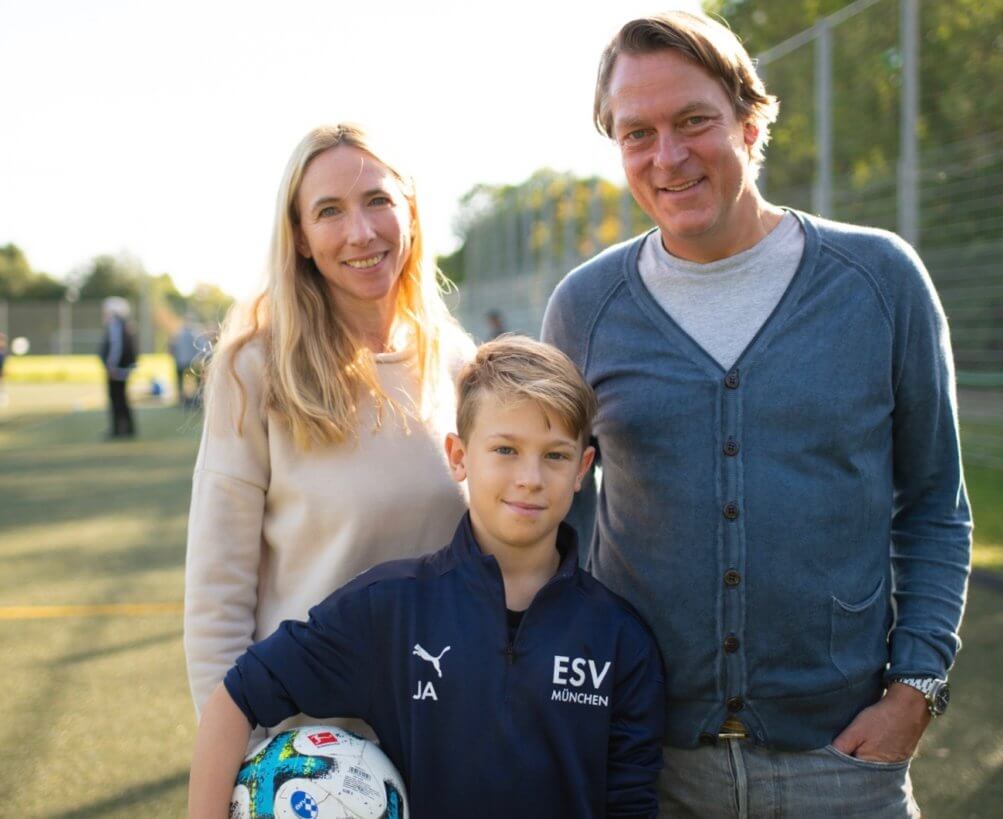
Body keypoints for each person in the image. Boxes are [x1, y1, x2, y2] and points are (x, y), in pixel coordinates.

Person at [541, 10, 971, 817]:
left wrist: (915, 689)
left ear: (749, 118)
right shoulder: (585, 308)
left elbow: (935, 507)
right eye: (637, 133)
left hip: (841, 761)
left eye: (694, 120)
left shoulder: (879, 281)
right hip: (645, 765)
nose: (667, 156)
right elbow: (551, 515)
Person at [187, 336, 665, 819]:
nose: (530, 478)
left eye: (555, 456)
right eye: (505, 449)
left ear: (584, 468)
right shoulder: (390, 609)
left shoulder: (620, 641)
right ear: (458, 456)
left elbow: (631, 803)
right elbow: (236, 698)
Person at [184, 123, 474, 745]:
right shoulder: (256, 371)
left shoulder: (456, 362)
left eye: (378, 201)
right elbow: (217, 596)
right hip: (310, 760)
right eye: (329, 212)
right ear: (301, 238)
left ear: (412, 214)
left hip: (445, 739)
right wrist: (244, 763)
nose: (361, 233)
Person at [99, 296, 137, 438]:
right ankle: (127, 428)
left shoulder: (116, 325)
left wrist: (111, 367)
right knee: (122, 398)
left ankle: (118, 429)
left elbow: (116, 347)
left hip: (116, 370)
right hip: (121, 369)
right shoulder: (124, 324)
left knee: (117, 398)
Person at [169, 317, 198, 407]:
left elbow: (172, 348)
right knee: (192, 381)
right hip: (191, 361)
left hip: (181, 361)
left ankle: (183, 399)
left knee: (181, 382)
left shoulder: (178, 334)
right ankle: (192, 399)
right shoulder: (194, 334)